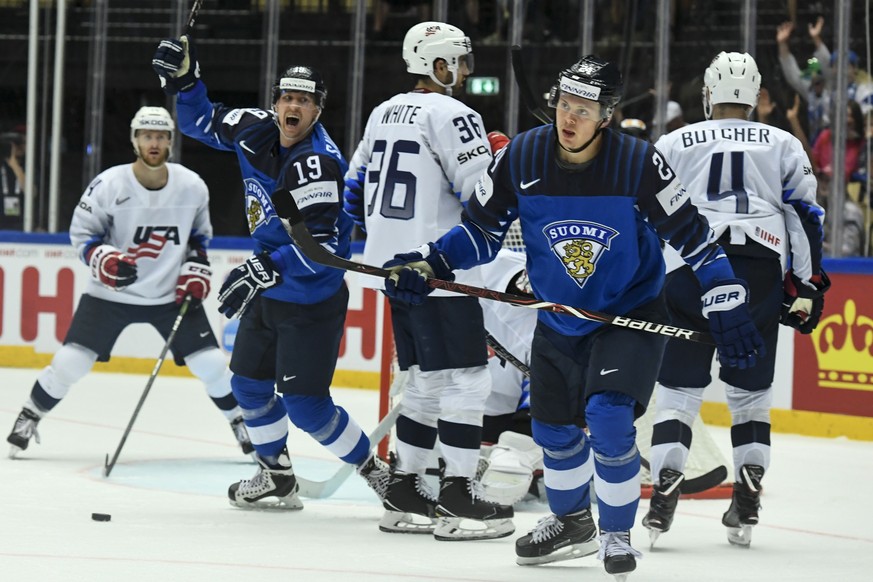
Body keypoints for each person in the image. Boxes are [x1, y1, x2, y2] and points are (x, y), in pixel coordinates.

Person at [381, 54, 765, 580]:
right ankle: (572, 523)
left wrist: (727, 298)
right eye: (564, 105)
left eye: (583, 109)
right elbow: (479, 232)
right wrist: (431, 262)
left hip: (627, 314)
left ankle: (614, 533)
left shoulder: (639, 162)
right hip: (559, 319)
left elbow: (696, 240)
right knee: (554, 434)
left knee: (608, 418)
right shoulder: (522, 156)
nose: (569, 117)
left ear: (606, 115)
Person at [152, 36, 387, 510]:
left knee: (306, 407)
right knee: (248, 386)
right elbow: (199, 121)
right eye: (286, 97)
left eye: (304, 99)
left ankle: (377, 473)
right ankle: (276, 475)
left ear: (318, 109)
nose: (292, 106)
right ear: (275, 102)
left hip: (311, 297)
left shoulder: (319, 163)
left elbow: (321, 251)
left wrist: (265, 266)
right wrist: (186, 80)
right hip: (272, 286)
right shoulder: (255, 128)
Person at [642, 52, 828, 549]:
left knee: (678, 391)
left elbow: (645, 215)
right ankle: (747, 493)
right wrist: (809, 286)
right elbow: (805, 217)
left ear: (708, 93)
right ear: (756, 96)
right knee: (750, 395)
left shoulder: (676, 139)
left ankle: (664, 486)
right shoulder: (783, 142)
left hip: (690, 268)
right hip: (759, 271)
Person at [343, 21, 514, 540]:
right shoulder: (455, 114)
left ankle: (404, 490)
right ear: (437, 65)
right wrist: (503, 159)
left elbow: (353, 193)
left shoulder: (381, 112)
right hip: (438, 268)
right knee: (467, 380)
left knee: (425, 380)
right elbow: (482, 197)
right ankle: (458, 493)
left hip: (390, 270)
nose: (463, 72)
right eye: (458, 62)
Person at [5, 106, 253, 459]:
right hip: (109, 294)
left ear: (170, 142)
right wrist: (101, 258)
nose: (154, 143)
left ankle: (241, 422)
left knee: (212, 365)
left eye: (161, 137)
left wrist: (195, 267)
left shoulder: (191, 186)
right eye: (147, 136)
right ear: (135, 140)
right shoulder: (109, 184)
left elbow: (199, 237)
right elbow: (82, 234)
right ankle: (29, 416)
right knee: (69, 363)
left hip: (170, 296)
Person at [0, 125, 28, 230]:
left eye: (22, 143)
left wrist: (14, 165)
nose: (19, 147)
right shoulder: (2, 166)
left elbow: (31, 193)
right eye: (16, 144)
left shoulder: (28, 167)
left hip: (21, 224)